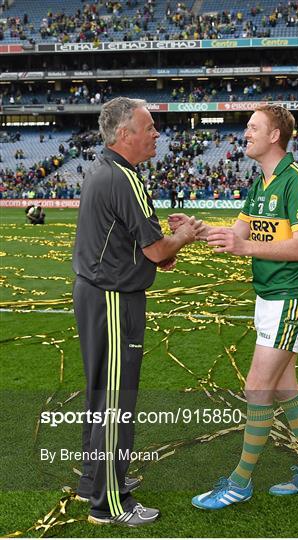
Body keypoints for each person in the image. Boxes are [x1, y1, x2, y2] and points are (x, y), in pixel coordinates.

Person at [169, 105, 298, 510]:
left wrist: (245, 247)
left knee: (257, 388)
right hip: (270, 297)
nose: (245, 133)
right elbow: (236, 234)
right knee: (283, 386)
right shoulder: (262, 183)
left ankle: (240, 483)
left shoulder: (297, 181)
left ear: (275, 135)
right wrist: (197, 228)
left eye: (253, 127)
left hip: (290, 299)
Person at [72, 97, 201, 527]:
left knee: (101, 397)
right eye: (149, 127)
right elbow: (158, 249)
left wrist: (164, 249)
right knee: (115, 400)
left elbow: (145, 251)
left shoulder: (108, 172)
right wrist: (185, 235)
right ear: (125, 135)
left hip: (99, 293)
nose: (157, 133)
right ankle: (110, 503)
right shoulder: (123, 179)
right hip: (112, 298)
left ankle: (96, 480)